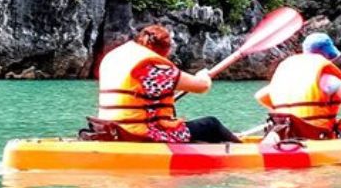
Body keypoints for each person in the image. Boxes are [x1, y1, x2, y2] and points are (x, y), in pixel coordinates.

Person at [95, 24, 240, 143]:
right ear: (165, 50)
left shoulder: (116, 57)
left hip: (112, 129)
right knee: (211, 124)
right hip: (140, 133)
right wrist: (203, 76)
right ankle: (242, 151)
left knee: (195, 128)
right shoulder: (153, 66)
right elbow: (202, 86)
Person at [254, 33, 341, 140]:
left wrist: (289, 108)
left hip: (289, 133)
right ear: (327, 54)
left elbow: (260, 96)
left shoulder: (289, 76)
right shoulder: (329, 80)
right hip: (319, 136)